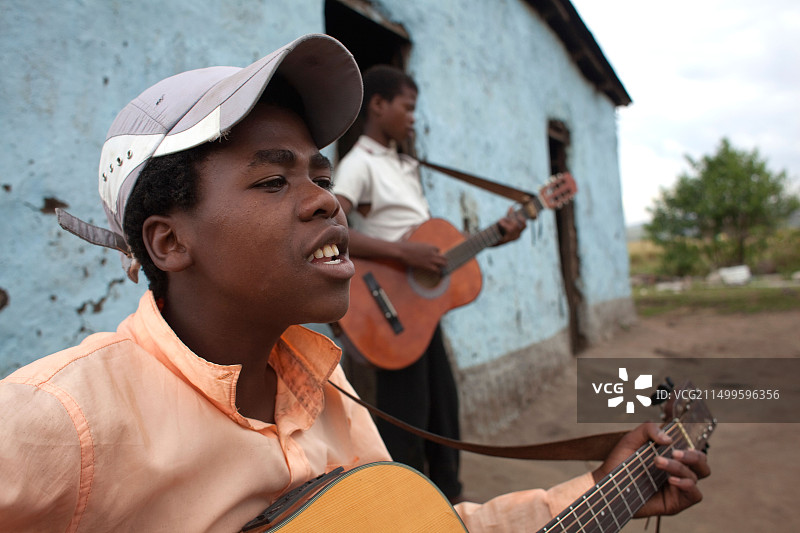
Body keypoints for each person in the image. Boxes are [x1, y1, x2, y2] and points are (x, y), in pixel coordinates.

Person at [0, 35, 709, 532]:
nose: (326, 201)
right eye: (275, 179)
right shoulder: (61, 423)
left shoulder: (332, 397)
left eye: (322, 176)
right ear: (169, 240)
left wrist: (600, 491)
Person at [332, 65, 528, 502]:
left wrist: (496, 236)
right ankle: (408, 510)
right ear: (378, 106)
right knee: (408, 418)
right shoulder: (359, 164)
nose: (414, 118)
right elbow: (334, 228)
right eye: (408, 107)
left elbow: (432, 252)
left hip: (419, 309)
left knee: (444, 413)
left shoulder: (404, 165)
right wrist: (404, 253)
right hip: (388, 309)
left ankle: (450, 505)